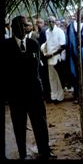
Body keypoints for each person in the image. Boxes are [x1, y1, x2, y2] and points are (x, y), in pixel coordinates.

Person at [1, 15, 56, 160]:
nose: (27, 27)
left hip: (34, 93)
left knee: (40, 124)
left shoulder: (33, 43)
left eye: (27, 25)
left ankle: (44, 151)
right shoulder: (6, 46)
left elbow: (36, 69)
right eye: (24, 25)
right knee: (19, 126)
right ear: (14, 28)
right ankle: (22, 154)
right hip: (16, 95)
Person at [41, 16, 66, 104]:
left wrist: (52, 54)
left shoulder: (60, 31)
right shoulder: (47, 32)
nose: (50, 23)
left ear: (55, 22)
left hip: (57, 58)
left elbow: (62, 47)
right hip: (49, 58)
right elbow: (47, 44)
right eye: (49, 21)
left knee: (58, 78)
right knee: (51, 78)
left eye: (52, 21)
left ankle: (60, 97)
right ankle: (54, 96)